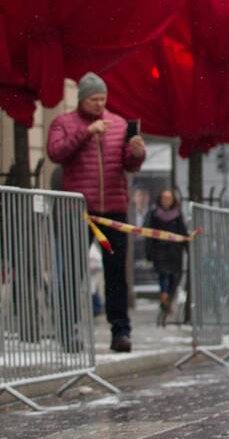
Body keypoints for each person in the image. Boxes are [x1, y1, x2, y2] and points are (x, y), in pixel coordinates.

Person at [47, 72, 145, 352]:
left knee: (116, 274)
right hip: (79, 211)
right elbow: (56, 152)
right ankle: (69, 332)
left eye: (103, 98)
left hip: (114, 210)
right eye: (93, 99)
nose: (99, 104)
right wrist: (85, 133)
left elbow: (128, 164)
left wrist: (137, 153)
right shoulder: (64, 123)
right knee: (73, 272)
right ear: (81, 99)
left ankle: (121, 333)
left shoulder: (118, 124)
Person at [145, 189, 188, 326]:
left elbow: (183, 231)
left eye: (169, 198)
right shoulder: (154, 214)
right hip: (160, 251)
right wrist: (149, 252)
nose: (166, 201)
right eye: (164, 198)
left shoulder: (177, 214)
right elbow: (149, 233)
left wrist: (186, 247)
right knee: (163, 276)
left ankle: (167, 299)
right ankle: (165, 298)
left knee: (175, 277)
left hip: (175, 252)